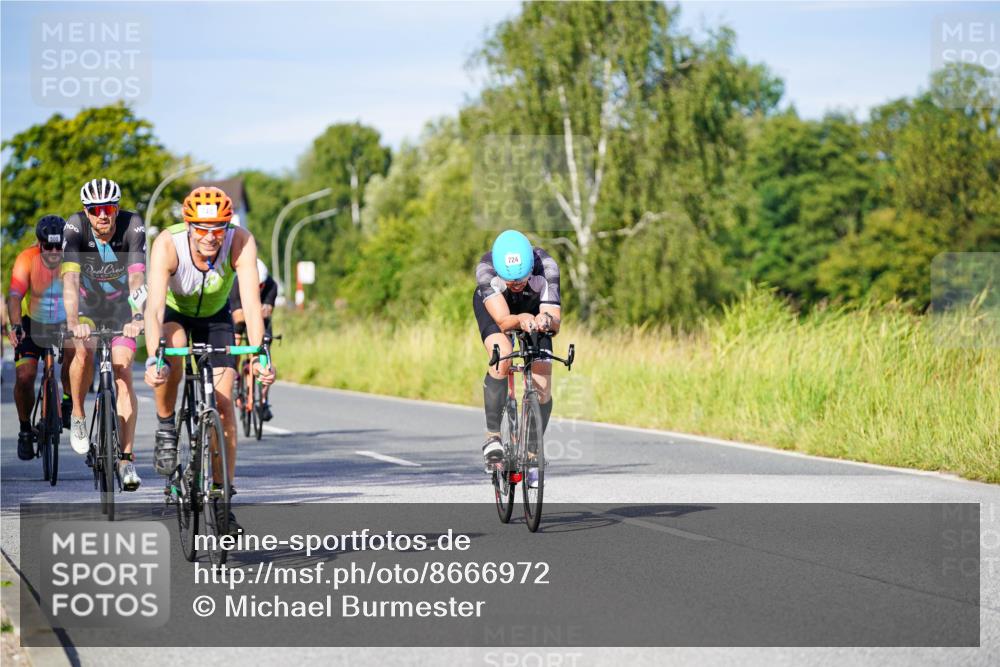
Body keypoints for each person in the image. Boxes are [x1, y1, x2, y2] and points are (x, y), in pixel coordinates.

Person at [144, 186, 275, 534]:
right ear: (188, 226)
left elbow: (249, 305)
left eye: (218, 227)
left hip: (217, 318)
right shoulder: (168, 245)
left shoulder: (240, 241)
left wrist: (261, 353)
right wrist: (153, 358)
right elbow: (154, 307)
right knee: (172, 345)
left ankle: (223, 498)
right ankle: (166, 426)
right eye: (202, 229)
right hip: (175, 313)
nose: (210, 237)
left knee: (225, 403)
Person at [62, 179, 146, 491]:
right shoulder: (75, 227)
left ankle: (126, 459)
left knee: (123, 371)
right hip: (86, 307)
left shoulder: (132, 225)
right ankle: (79, 414)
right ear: (86, 211)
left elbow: (137, 276)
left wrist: (138, 315)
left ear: (117, 208)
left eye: (109, 208)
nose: (103, 215)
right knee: (82, 351)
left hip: (122, 310)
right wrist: (73, 322)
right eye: (95, 210)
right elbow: (70, 279)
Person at [473, 230, 561, 484]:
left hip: (534, 309)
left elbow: (554, 320)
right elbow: (503, 321)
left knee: (542, 375)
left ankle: (532, 451)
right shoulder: (486, 269)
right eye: (511, 280)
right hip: (498, 311)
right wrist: (521, 319)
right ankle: (492, 438)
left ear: (530, 267)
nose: (518, 284)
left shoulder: (546, 266)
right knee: (502, 357)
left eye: (522, 278)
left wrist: (545, 321)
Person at [7, 216, 75, 460]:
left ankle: (67, 401)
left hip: (64, 321)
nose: (55, 252)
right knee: (24, 376)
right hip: (32, 323)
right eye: (49, 246)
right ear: (39, 243)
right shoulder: (26, 258)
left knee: (75, 352)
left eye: (59, 246)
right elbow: (15, 296)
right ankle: (26, 429)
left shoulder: (72, 258)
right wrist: (16, 325)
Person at [230, 258, 278, 420]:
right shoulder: (237, 283)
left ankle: (263, 399)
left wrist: (253, 311)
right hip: (239, 319)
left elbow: (267, 313)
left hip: (261, 322)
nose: (258, 289)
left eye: (260, 287)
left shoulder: (271, 285)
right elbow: (238, 317)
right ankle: (236, 378)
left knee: (265, 355)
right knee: (235, 343)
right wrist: (256, 310)